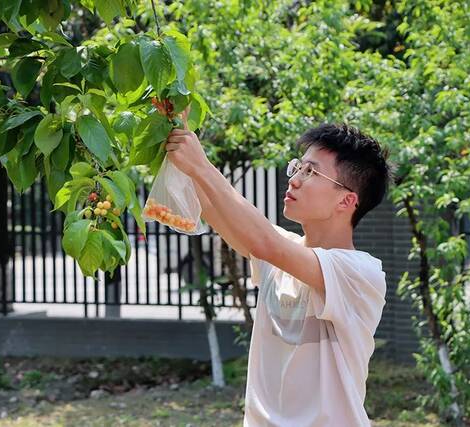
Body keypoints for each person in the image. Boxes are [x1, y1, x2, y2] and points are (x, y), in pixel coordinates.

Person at [166, 111, 393, 427]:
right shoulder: (282, 253)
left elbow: (264, 242)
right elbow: (214, 206)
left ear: (346, 201)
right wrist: (176, 132)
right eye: (298, 166)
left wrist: (202, 164)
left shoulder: (359, 273)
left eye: (311, 172)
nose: (295, 178)